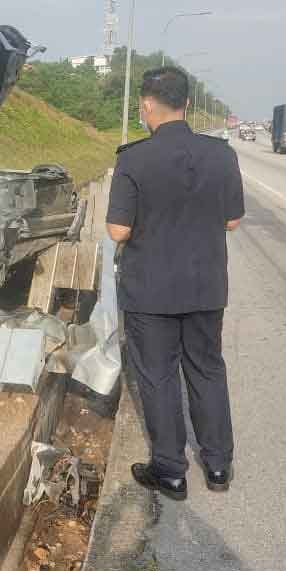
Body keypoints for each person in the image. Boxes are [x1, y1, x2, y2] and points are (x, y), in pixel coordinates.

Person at [106, 66, 244, 501]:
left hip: (151, 291)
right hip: (205, 286)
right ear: (186, 103)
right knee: (207, 368)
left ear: (147, 105)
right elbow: (232, 220)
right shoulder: (221, 155)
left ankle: (170, 471)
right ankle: (218, 465)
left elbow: (117, 231)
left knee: (159, 376)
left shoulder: (133, 159)